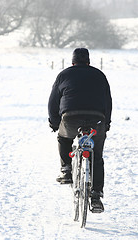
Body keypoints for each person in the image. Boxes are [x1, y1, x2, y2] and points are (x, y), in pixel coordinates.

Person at [48, 48, 112, 211]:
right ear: (89, 62)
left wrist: (55, 123)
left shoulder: (64, 75)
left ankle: (66, 170)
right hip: (96, 119)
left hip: (70, 118)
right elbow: (108, 102)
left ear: (72, 62)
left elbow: (53, 102)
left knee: (64, 138)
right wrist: (106, 124)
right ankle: (96, 196)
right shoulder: (99, 75)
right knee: (96, 156)